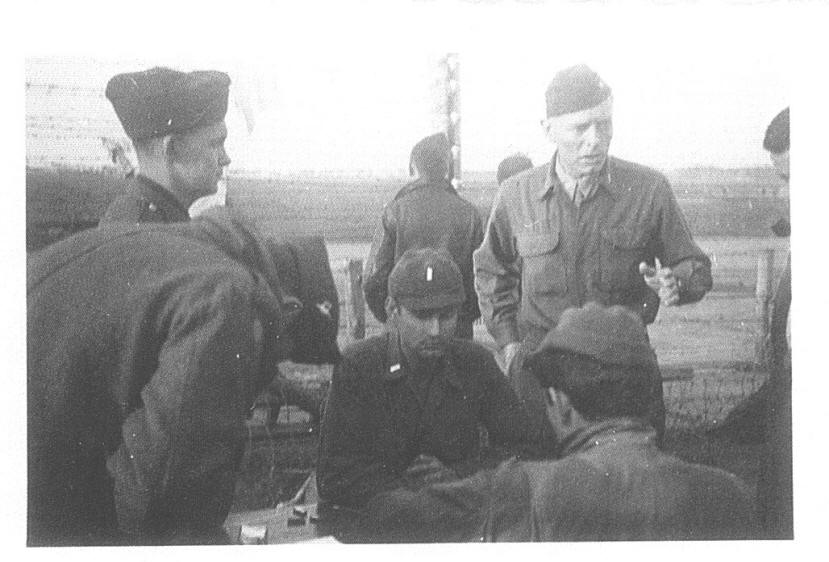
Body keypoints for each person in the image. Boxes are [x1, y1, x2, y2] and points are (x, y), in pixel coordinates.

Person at [27, 208, 340, 546]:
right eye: (284, 351)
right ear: (290, 308)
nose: (271, 366)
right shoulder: (228, 294)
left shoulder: (170, 250)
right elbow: (162, 502)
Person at [346, 304, 757, 542]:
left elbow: (382, 520)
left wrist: (446, 483)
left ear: (559, 403)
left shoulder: (520, 490)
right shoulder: (732, 495)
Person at [473, 64, 712, 438]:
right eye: (580, 127)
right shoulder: (516, 195)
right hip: (542, 377)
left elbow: (694, 265)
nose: (595, 139)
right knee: (542, 485)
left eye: (605, 124)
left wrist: (676, 282)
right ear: (548, 129)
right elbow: (493, 272)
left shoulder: (649, 189)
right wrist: (509, 345)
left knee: (629, 487)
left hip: (624, 378)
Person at [317, 248, 546, 516]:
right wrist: (407, 488)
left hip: (459, 517)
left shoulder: (475, 363)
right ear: (393, 308)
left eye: (446, 316)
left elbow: (526, 449)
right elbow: (332, 475)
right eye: (422, 316)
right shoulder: (359, 367)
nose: (435, 330)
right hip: (384, 525)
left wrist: (460, 474)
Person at [363, 132, 484, 339]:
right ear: (446, 168)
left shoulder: (395, 211)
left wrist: (395, 316)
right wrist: (460, 317)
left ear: (414, 167)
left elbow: (374, 278)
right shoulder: (469, 213)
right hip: (454, 331)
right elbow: (481, 277)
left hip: (405, 328)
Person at [100, 66, 232, 224]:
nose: (226, 159)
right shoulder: (155, 233)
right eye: (215, 144)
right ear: (173, 148)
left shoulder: (136, 217)